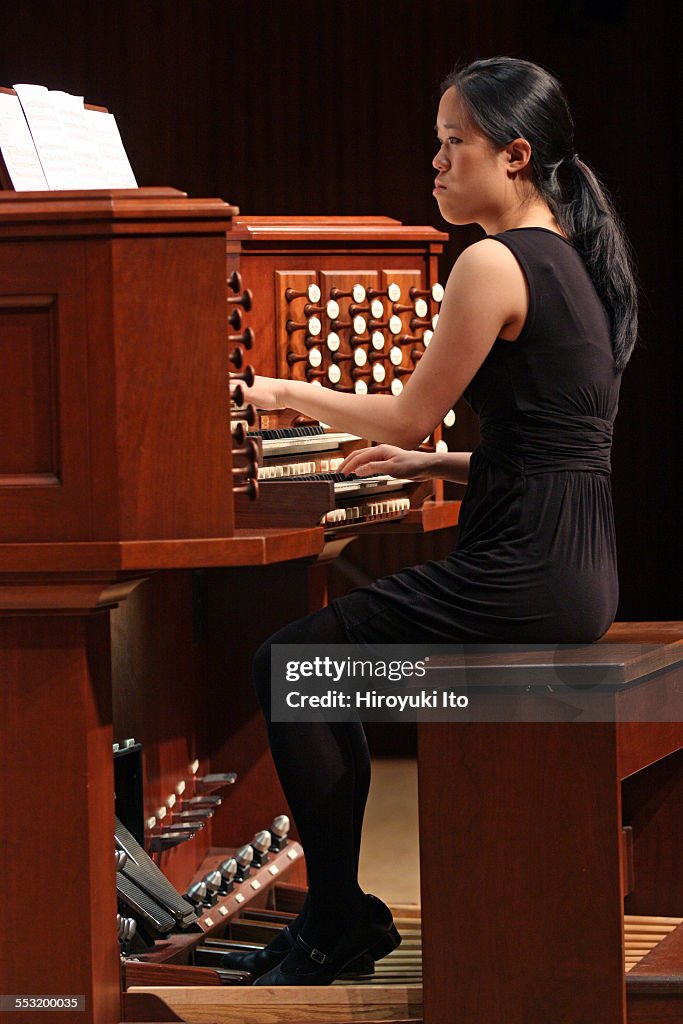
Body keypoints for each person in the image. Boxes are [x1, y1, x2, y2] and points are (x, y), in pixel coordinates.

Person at [224, 56, 637, 986]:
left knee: (292, 667)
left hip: (524, 568)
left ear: (515, 156)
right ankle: (338, 911)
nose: (438, 163)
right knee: (317, 668)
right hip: (578, 571)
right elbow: (558, 440)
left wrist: (286, 390)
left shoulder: (490, 261)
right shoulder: (570, 258)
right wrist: (436, 464)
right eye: (437, 143)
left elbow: (409, 408)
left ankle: (335, 918)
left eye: (455, 143)